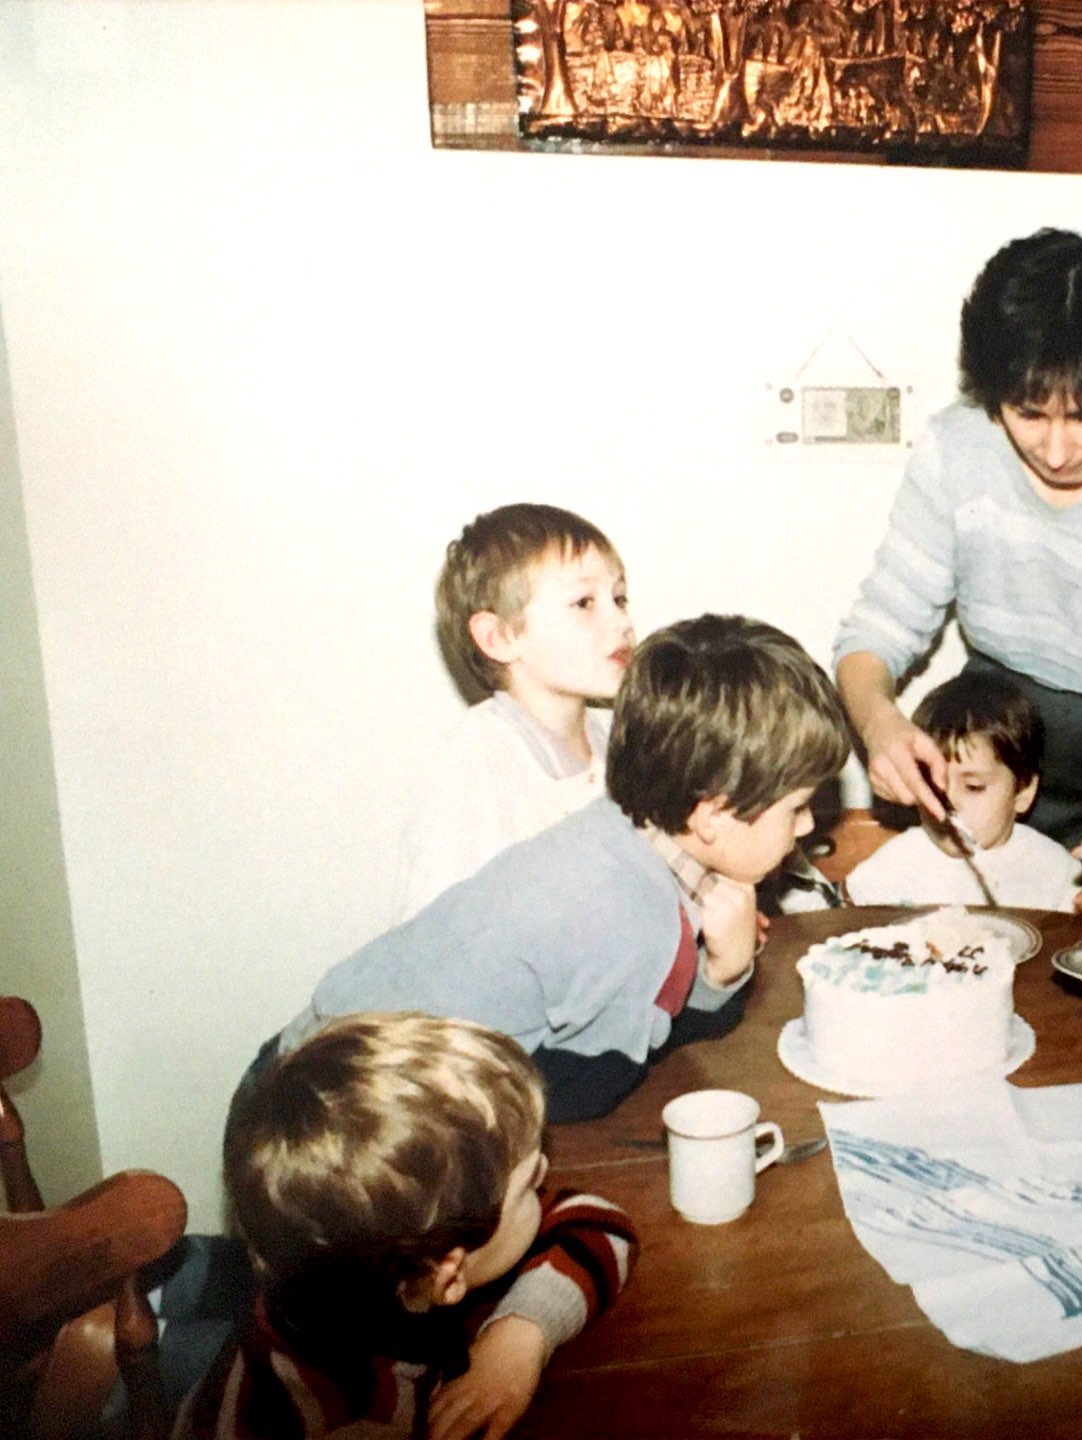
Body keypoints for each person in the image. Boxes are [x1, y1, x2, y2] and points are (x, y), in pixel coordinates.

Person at [269, 614, 850, 1122]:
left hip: (308, 1048)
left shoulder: (615, 826)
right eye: (797, 808)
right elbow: (588, 1089)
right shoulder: (636, 920)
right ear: (712, 816)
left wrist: (720, 973)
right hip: (341, 1109)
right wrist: (719, 973)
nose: (805, 827)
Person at [834, 228, 1082, 899]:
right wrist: (880, 725)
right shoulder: (956, 446)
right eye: (1027, 413)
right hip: (1006, 726)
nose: (1054, 452)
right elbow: (877, 629)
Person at [178, 1013, 635, 1440]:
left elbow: (594, 1222)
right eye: (530, 1182)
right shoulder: (365, 1420)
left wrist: (521, 1333)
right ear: (448, 1277)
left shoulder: (389, 1268)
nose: (547, 1175)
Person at [394, 503, 635, 922]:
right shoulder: (473, 773)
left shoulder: (628, 745)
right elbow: (434, 943)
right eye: (584, 602)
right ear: (500, 637)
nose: (621, 621)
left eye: (619, 598)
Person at [843, 670, 1082, 924]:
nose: (950, 802)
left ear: (1023, 792)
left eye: (974, 786)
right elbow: (848, 921)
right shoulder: (896, 863)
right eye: (935, 785)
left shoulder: (1053, 869)